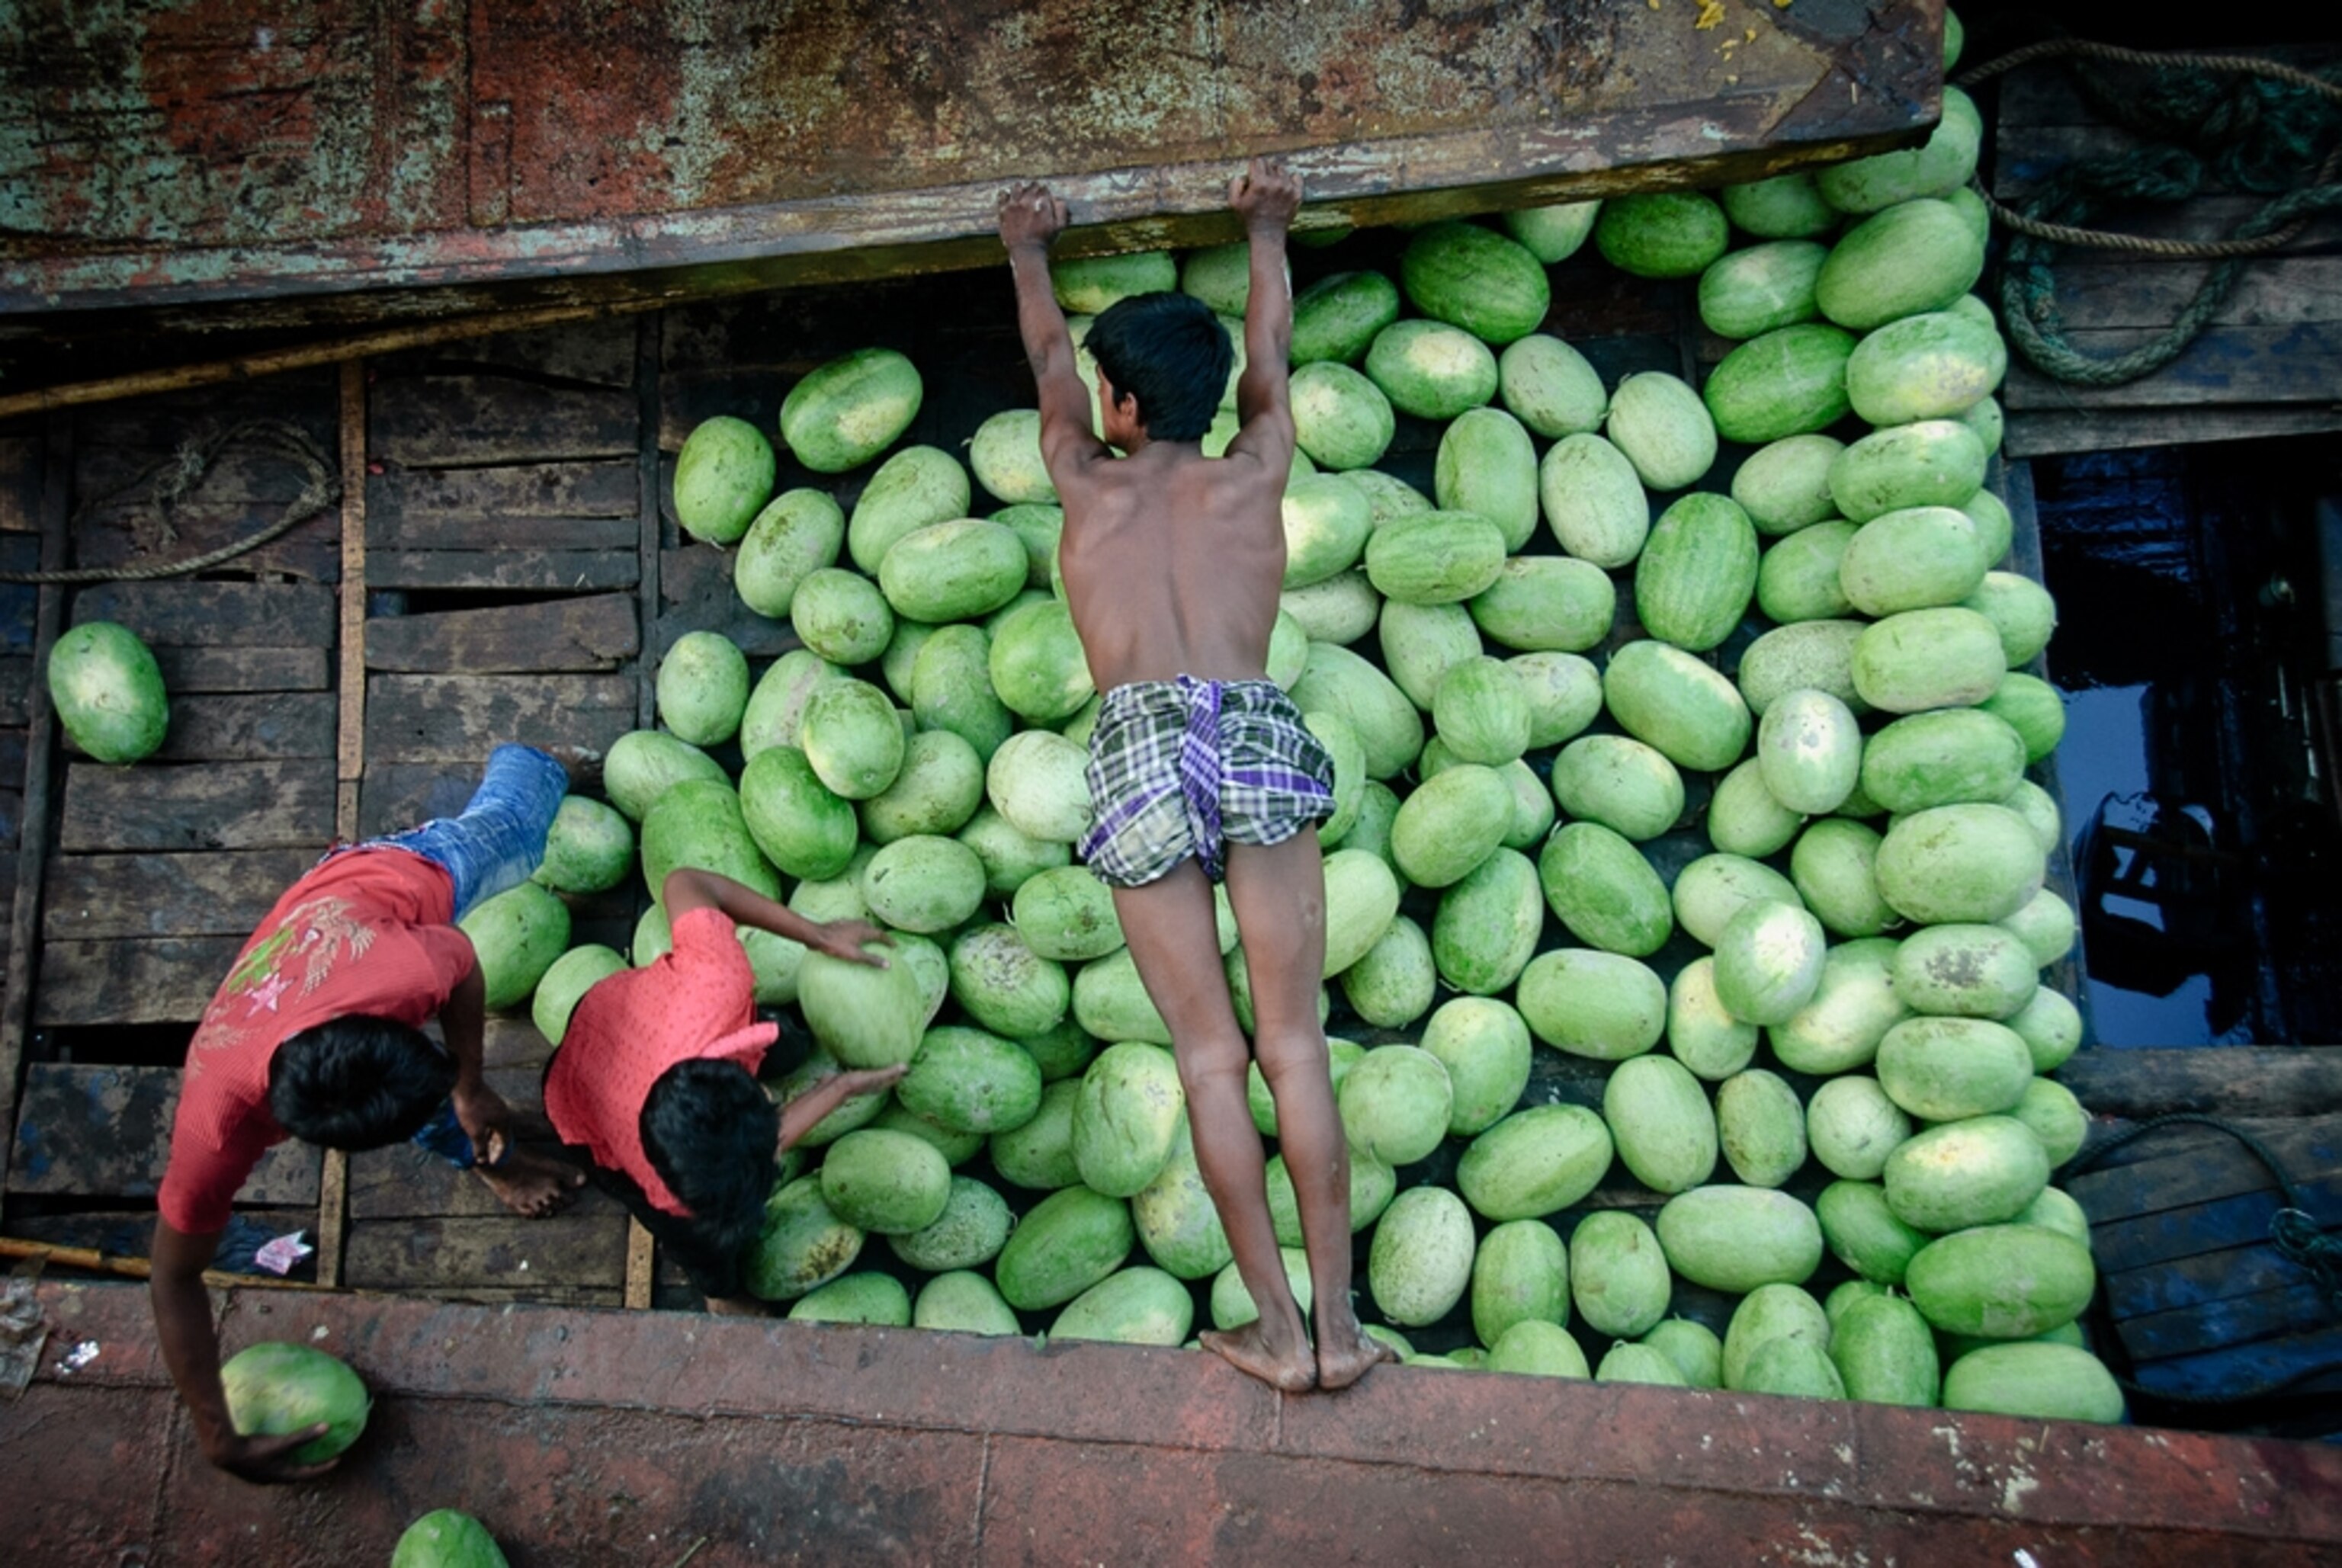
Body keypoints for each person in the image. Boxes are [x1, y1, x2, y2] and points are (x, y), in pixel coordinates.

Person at [999, 158, 1393, 1392]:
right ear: (1214, 397)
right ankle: (1339, 1327)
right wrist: (1265, 227)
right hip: (1255, 725)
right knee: (1295, 1044)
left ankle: (1276, 1332)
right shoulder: (1256, 464)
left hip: (1137, 746)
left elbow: (1048, 362)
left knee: (1210, 1061)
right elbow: (1271, 350)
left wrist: (1026, 249)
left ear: (1117, 406)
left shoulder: (1080, 476)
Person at [150, 743, 596, 1481]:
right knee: (426, 1111)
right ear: (292, 1133)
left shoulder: (408, 962)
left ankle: (530, 761)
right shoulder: (214, 1120)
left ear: (392, 1017)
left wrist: (470, 1080)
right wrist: (216, 1434)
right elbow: (171, 1276)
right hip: (303, 947)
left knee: (515, 834)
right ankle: (486, 1160)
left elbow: (462, 961)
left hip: (382, 876)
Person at [544, 867, 900, 1313]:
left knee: (786, 1042)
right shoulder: (670, 1194)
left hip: (617, 1024)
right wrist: (841, 1088)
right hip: (580, 1097)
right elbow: (759, 1145)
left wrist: (817, 934)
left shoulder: (718, 982)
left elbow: (687, 881)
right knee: (706, 1247)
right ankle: (722, 1295)